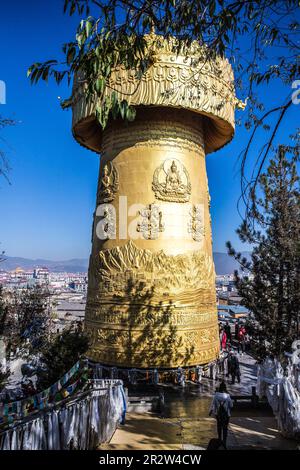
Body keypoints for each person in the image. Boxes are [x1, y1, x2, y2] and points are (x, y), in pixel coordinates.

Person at [209, 381, 233, 448]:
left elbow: (212, 405)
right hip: (226, 415)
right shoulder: (227, 396)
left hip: (218, 415)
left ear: (219, 388)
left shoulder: (216, 395)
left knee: (219, 428)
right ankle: (224, 443)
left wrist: (210, 411)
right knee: (225, 429)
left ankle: (219, 440)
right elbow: (231, 405)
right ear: (225, 388)